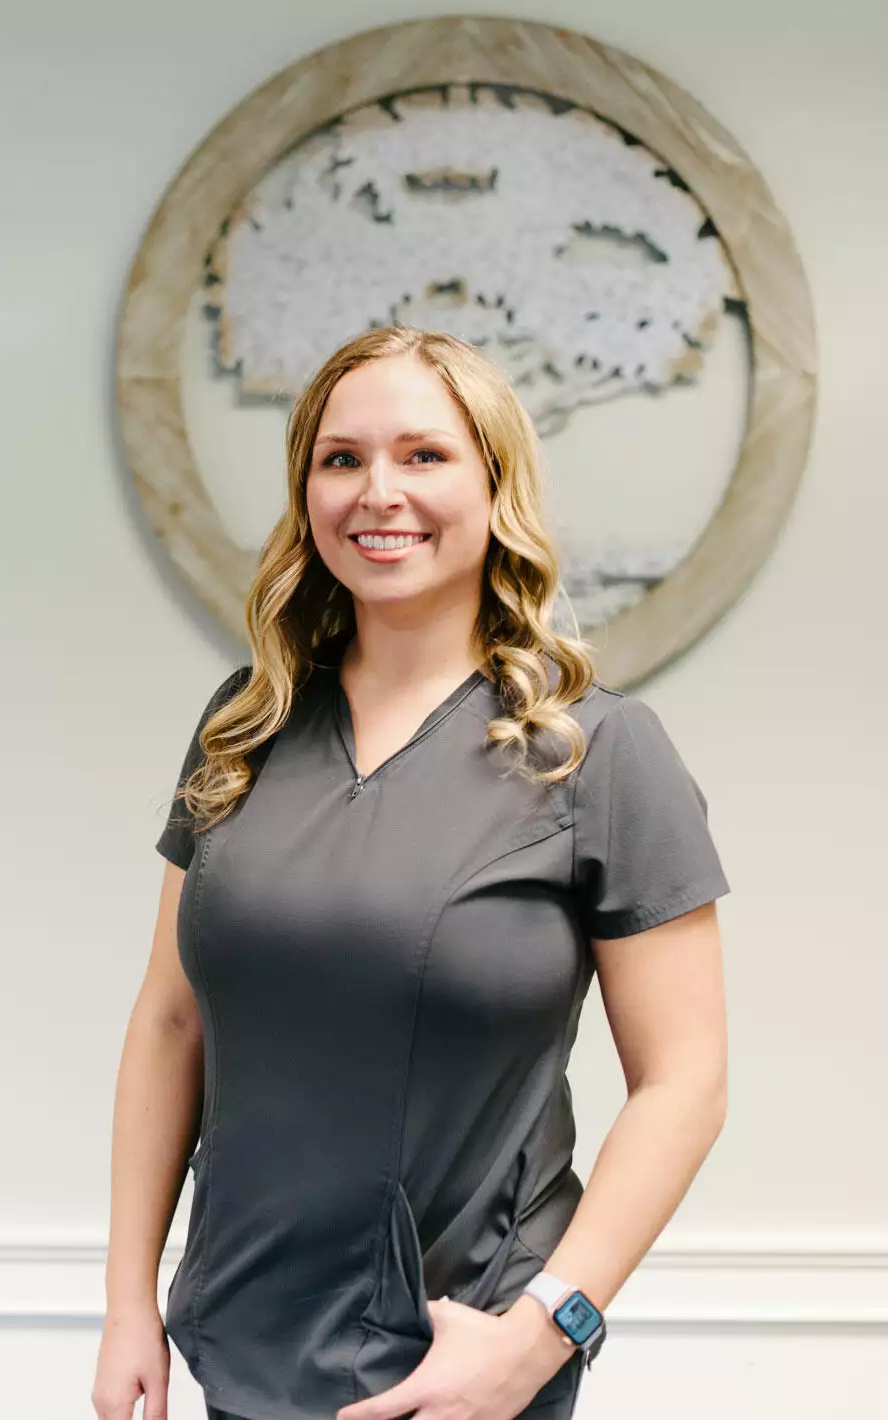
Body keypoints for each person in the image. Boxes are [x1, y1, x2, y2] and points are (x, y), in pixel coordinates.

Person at [92, 326, 731, 1420]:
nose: (377, 491)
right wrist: (126, 1305)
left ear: (494, 484)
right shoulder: (244, 724)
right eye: (340, 458)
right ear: (305, 494)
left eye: (424, 455)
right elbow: (170, 1023)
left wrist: (543, 1335)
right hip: (238, 1346)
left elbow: (685, 1081)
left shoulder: (597, 753)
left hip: (460, 1367)